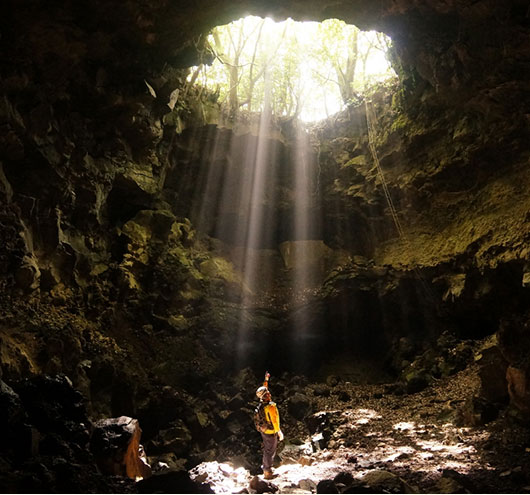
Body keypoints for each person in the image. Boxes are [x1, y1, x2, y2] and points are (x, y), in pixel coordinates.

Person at [255, 371, 284, 480]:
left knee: (267, 449)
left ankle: (266, 468)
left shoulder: (261, 404)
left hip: (264, 431)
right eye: (267, 394)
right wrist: (279, 432)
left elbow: (264, 388)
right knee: (270, 451)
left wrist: (266, 379)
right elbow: (275, 421)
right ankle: (267, 471)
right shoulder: (270, 407)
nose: (269, 394)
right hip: (271, 432)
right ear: (264, 396)